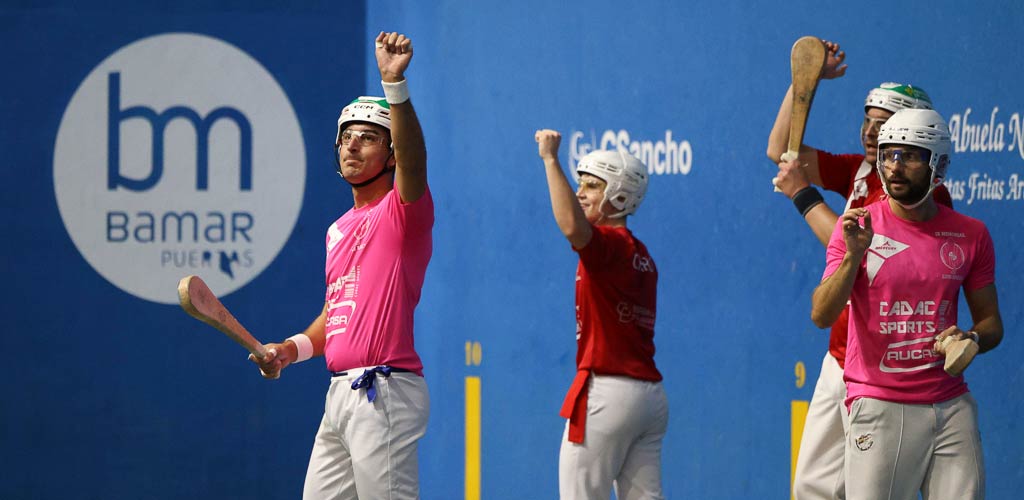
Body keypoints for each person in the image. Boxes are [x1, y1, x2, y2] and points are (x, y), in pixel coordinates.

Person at [766, 38, 952, 500]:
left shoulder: (924, 197)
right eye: (867, 123)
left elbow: (866, 248)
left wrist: (803, 195)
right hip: (839, 354)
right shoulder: (859, 173)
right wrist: (805, 83)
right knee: (811, 487)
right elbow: (780, 151)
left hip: (883, 366)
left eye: (884, 124)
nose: (871, 134)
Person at [250, 31, 433, 500]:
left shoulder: (402, 211)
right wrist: (291, 349)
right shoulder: (337, 229)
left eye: (368, 139)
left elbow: (415, 162)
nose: (352, 147)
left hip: (386, 391)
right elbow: (338, 313)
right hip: (340, 395)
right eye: (346, 138)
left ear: (390, 155)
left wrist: (395, 87)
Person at [810, 108, 1003, 500]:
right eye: (888, 154)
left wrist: (971, 339)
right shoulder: (858, 226)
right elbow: (821, 314)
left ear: (939, 165)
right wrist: (852, 257)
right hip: (880, 405)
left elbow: (991, 323)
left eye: (910, 155)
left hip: (951, 405)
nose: (895, 167)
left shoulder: (971, 235)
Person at [534, 129, 668, 500]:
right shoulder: (641, 254)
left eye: (592, 186)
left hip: (608, 395)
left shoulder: (609, 246)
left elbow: (571, 226)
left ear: (620, 196)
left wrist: (550, 160)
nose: (580, 193)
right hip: (649, 399)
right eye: (581, 184)